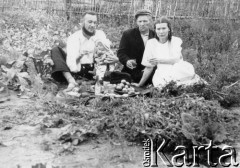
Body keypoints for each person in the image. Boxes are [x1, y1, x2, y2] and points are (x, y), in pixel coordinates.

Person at [51, 11, 118, 91]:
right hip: (78, 70)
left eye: (95, 22)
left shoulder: (100, 34)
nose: (92, 25)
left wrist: (115, 60)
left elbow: (107, 52)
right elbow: (71, 64)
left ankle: (98, 80)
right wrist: (79, 56)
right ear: (82, 22)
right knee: (55, 50)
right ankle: (71, 81)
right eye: (90, 22)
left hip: (95, 69)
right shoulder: (74, 37)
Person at [138, 17, 198, 88]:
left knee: (186, 86)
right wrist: (140, 84)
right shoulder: (151, 43)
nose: (161, 32)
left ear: (168, 29)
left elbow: (176, 59)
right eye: (158, 29)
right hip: (162, 73)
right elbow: (149, 67)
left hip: (178, 70)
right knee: (164, 87)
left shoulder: (175, 41)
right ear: (155, 30)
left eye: (164, 28)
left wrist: (158, 60)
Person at [117, 9, 156, 83]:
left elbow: (158, 56)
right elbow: (121, 53)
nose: (142, 24)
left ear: (150, 21)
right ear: (136, 22)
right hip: (132, 73)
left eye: (145, 21)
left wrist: (150, 67)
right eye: (140, 21)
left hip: (150, 73)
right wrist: (127, 61)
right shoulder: (128, 34)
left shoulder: (155, 35)